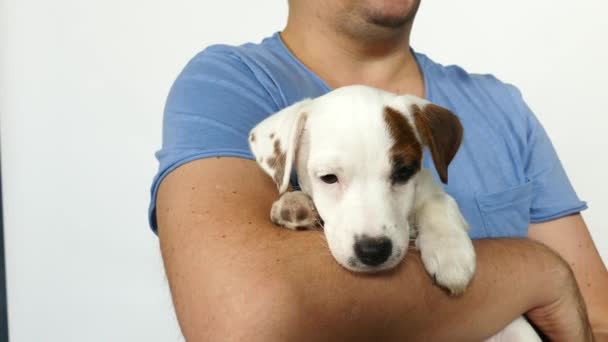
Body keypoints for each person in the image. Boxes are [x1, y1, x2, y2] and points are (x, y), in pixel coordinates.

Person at [150, 1, 608, 340]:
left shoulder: (501, 107)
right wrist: (541, 273)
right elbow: (248, 318)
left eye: (401, 174)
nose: (373, 226)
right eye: (331, 178)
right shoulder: (231, 85)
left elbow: (597, 317)